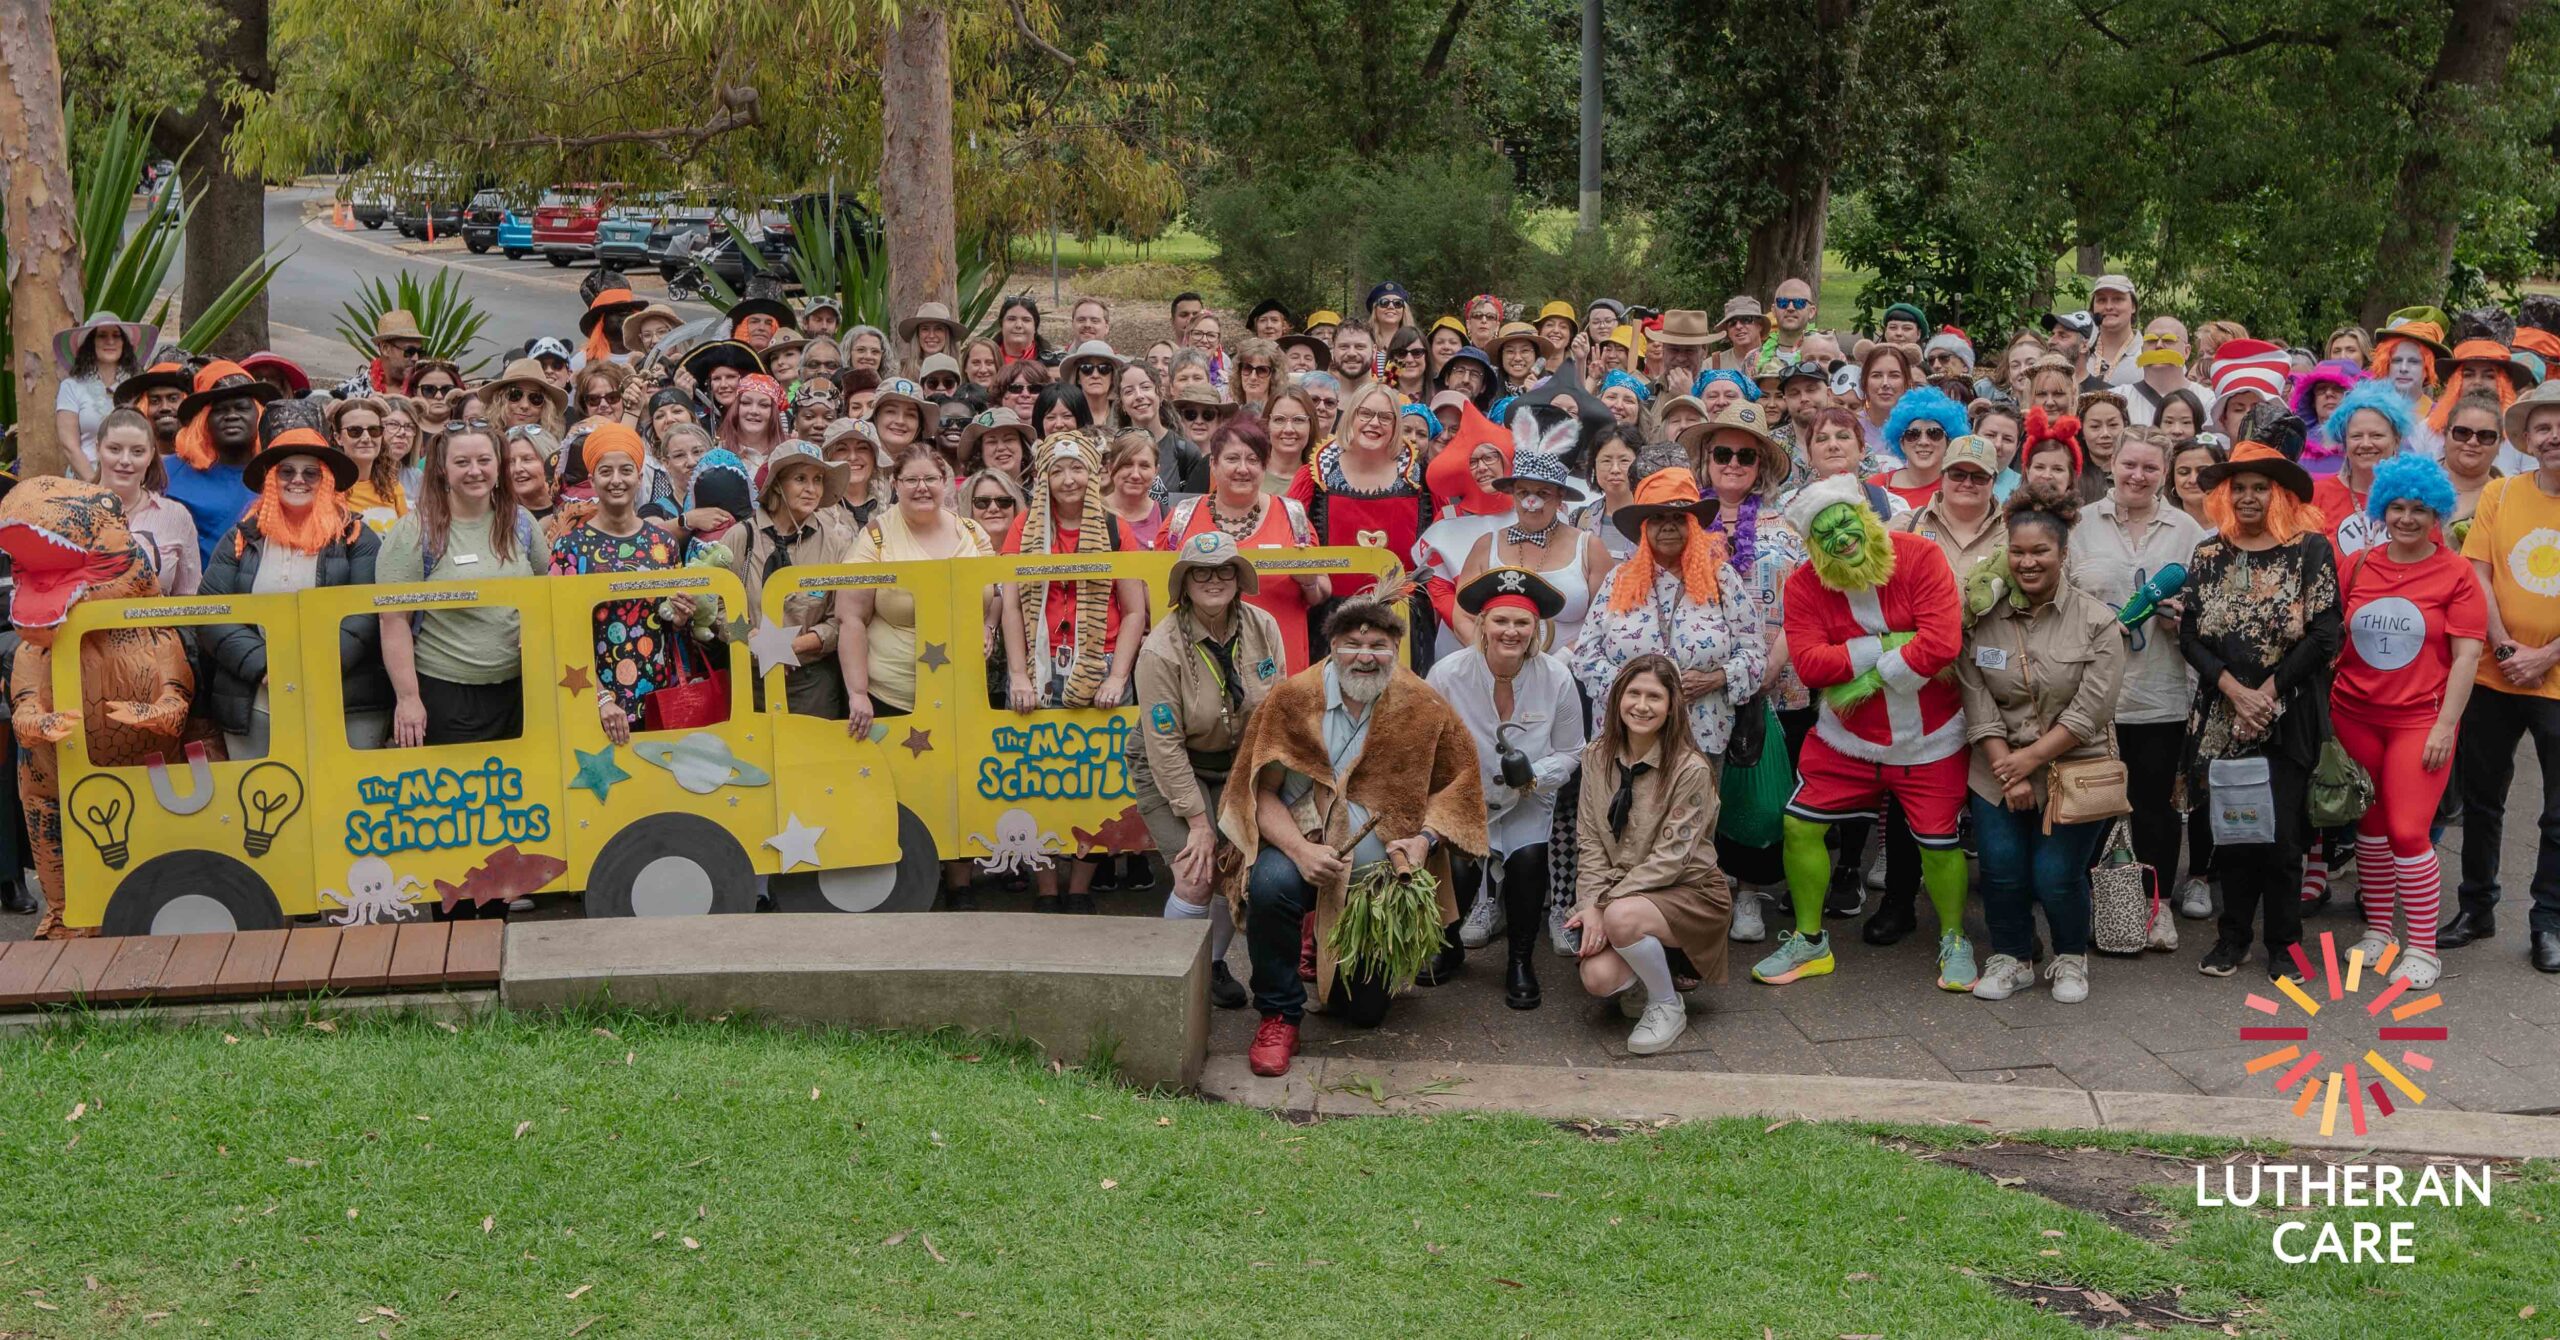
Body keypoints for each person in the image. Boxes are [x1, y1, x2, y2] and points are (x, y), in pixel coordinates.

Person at [1225, 586, 1489, 1077]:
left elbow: (1461, 784)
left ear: (1395, 649)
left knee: (1364, 1014)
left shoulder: (1422, 705)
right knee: (1271, 884)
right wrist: (1302, 852)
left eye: (1379, 647)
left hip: (1378, 880)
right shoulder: (1291, 699)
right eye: (1352, 644)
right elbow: (1258, 792)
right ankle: (1279, 1013)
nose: (1365, 656)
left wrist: (1424, 839)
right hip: (1299, 842)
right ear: (1333, 646)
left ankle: (1336, 960)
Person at [1758, 474, 1976, 991]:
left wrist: (1854, 663)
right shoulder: (1807, 584)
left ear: (1865, 518)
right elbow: (1810, 666)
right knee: (1799, 825)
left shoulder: (1920, 557)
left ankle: (1954, 937)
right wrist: (1889, 644)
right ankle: (1810, 942)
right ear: (1812, 544)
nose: (1840, 538)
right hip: (1845, 741)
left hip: (1932, 738)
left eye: (1845, 522)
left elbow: (1943, 643)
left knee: (1940, 844)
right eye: (1824, 532)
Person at [1959, 491, 2127, 1003]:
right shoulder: (1980, 619)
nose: (2028, 562)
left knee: (2055, 876)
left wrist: (2029, 761)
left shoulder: (2097, 621)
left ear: (2062, 555)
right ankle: (2012, 957)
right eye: (2018, 551)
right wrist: (2007, 771)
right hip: (1996, 766)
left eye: (2040, 552)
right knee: (2002, 871)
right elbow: (1977, 699)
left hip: (2073, 768)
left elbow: (2089, 711)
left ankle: (2071, 957)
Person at [2181, 443, 2341, 979]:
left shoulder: (2310, 550)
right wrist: (2234, 691)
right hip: (2224, 715)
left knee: (2281, 839)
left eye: (2260, 487)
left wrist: (2266, 693)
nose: (2249, 497)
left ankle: (2285, 945)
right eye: (2240, 487)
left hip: (2287, 713)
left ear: (2281, 495)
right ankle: (2232, 939)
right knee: (2232, 835)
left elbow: (2324, 634)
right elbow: (2189, 634)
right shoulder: (2207, 554)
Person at [2328, 454, 2483, 990]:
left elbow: (2466, 657)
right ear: (2382, 508)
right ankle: (2378, 931)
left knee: (2408, 829)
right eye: (2397, 507)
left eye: (2419, 508)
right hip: (2353, 714)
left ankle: (2422, 945)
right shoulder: (2359, 565)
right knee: (2368, 826)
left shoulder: (2457, 573)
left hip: (2420, 720)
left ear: (2436, 512)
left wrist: (2446, 726)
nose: (2407, 518)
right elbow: (2335, 636)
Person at [1136, 532, 1289, 1011]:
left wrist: (1258, 791)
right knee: (1196, 871)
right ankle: (1169, 981)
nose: (1214, 580)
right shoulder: (1160, 650)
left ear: (1239, 578)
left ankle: (1212, 964)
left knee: (1231, 868)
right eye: (1201, 571)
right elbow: (1164, 745)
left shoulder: (1263, 627)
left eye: (1225, 570)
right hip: (1172, 764)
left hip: (1237, 763)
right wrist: (1199, 823)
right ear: (1184, 584)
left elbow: (1276, 712)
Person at [1427, 567, 1586, 1010]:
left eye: (1522, 623)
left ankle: (1520, 960)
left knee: (1528, 864)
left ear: (1537, 628)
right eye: (1501, 621)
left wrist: (1535, 774)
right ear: (1482, 624)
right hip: (1465, 796)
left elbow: (1573, 751)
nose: (1510, 632)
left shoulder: (1555, 677)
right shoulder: (1447, 674)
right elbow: (1423, 741)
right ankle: (1448, 944)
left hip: (1527, 799)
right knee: (1457, 870)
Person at [2069, 431, 2209, 926]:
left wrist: (2182, 616)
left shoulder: (2189, 531)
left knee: (2154, 807)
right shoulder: (2080, 525)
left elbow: (2207, 609)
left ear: (2165, 472)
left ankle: (2156, 906)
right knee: (2092, 803)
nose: (2137, 476)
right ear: (2112, 464)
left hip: (2160, 690)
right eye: (2130, 464)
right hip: (2091, 693)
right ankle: (2096, 907)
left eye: (2150, 468)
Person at [200, 400, 390, 758]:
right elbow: (212, 612)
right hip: (257, 700)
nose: (298, 480)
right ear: (272, 480)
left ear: (326, 479)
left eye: (310, 472)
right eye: (286, 471)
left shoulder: (357, 537)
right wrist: (267, 666)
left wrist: (315, 665)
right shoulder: (242, 537)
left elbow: (364, 615)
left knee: (344, 800)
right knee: (264, 800)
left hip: (345, 700)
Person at [2450, 379, 2560, 972]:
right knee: (2483, 800)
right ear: (2527, 438)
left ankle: (2549, 922)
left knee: (2558, 812)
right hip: (2496, 674)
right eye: (2543, 426)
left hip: (2557, 681)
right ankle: (2476, 908)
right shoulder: (2501, 495)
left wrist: (2545, 656)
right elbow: (2479, 576)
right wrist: (2504, 644)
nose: (2554, 436)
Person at [1566, 655, 1730, 1052]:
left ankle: (1667, 1005)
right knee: (1598, 979)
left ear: (1672, 705)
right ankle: (1647, 972)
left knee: (1623, 917)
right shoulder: (1596, 756)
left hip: (1689, 891)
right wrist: (1588, 904)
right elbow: (1589, 842)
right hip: (1623, 893)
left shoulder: (1690, 768)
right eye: (1633, 693)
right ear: (1617, 698)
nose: (1642, 705)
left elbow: (1672, 859)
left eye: (1654, 696)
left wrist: (1605, 906)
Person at [1569, 467, 1765, 756]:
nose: (1669, 526)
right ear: (1644, 528)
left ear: (1693, 526)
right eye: (1658, 518)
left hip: (1699, 737)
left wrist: (1716, 678)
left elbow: (1755, 655)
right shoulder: (1619, 579)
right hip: (1625, 737)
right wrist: (1635, 689)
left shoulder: (1722, 579)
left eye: (1679, 518)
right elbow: (1584, 656)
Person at [548, 423, 719, 746]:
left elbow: (673, 620)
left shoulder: (662, 543)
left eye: (626, 470)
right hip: (592, 701)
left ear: (639, 477)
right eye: (605, 471)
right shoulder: (569, 547)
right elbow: (560, 632)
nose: (616, 480)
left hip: (660, 700)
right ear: (592, 479)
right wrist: (600, 699)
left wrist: (682, 616)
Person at [378, 422, 540, 749]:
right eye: (462, 462)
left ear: (499, 465)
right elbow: (393, 620)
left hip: (523, 690)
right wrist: (408, 698)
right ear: (441, 468)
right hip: (447, 694)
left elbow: (545, 593)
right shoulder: (415, 532)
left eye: (484, 460)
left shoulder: (522, 523)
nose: (475, 471)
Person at [842, 444, 996, 738]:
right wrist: (858, 693)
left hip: (965, 692)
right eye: (911, 480)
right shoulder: (875, 537)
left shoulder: (973, 532)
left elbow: (995, 595)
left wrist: (987, 626)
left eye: (930, 479)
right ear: (895, 484)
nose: (921, 488)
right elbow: (850, 619)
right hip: (892, 698)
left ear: (944, 481)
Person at [1287, 382, 1436, 668]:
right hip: (1331, 620)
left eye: (1385, 417)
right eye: (1365, 413)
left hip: (1403, 617)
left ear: (1396, 424)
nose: (1373, 423)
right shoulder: (1316, 475)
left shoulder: (1422, 477)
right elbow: (1292, 535)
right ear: (1351, 417)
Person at [1159, 415, 1325, 673]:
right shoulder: (1182, 517)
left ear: (1265, 465)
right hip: (1199, 669)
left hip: (1279, 667)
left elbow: (1321, 592)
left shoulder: (1293, 516)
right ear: (1213, 464)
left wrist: (1309, 582)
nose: (1243, 468)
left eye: (1253, 459)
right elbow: (1160, 589)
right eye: (1232, 458)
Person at [731, 440, 858, 719]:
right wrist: (757, 640)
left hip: (812, 683)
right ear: (777, 484)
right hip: (751, 681)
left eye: (818, 480)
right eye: (800, 479)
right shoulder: (742, 537)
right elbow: (715, 609)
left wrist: (795, 646)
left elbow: (845, 617)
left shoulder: (835, 543)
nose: (811, 489)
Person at [1455, 441, 1604, 660]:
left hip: (1570, 672)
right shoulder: (1486, 545)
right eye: (1523, 492)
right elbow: (1462, 615)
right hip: (1496, 670)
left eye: (1543, 493)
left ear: (1560, 496)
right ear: (1512, 494)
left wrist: (1563, 660)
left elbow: (1604, 618)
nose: (1531, 502)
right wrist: (1488, 656)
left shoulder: (1589, 547)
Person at [165, 361, 279, 567]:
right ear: (203, 421)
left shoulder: (284, 472)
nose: (232, 416)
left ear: (259, 415)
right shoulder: (169, 472)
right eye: (220, 410)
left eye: (242, 408)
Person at [92, 408, 198, 595]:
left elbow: (189, 596)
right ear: (97, 448)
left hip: (159, 623)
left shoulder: (175, 516)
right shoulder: (71, 509)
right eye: (114, 449)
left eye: (137, 452)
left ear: (151, 455)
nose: (125, 460)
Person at [2312, 380, 2416, 557]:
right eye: (2356, 436)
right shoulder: (2317, 495)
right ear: (2344, 442)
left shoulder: (2417, 497)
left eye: (2377, 435)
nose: (2366, 444)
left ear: (2396, 440)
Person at [51, 311, 154, 477]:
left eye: (116, 335)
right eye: (102, 335)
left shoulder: (138, 384)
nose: (110, 341)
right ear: (91, 343)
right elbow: (69, 446)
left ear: (124, 343)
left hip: (133, 478)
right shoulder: (71, 387)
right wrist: (96, 486)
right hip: (84, 480)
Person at [1869, 385, 1967, 511]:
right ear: (1901, 443)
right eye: (1913, 434)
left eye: (1934, 433)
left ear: (1948, 442)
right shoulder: (1877, 486)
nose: (1923, 441)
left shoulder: (1960, 487)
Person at [330, 397, 409, 534]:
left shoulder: (393, 487)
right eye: (354, 431)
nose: (366, 438)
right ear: (338, 438)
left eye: (374, 430)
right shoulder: (328, 489)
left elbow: (408, 538)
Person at [1570, 424, 1642, 562]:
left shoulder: (1654, 519)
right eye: (1606, 461)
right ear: (1594, 466)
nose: (1615, 469)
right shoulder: (1578, 519)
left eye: (1624, 461)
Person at [2441, 393, 2504, 522]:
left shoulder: (2507, 497)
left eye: (2485, 436)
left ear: (2500, 443)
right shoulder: (2411, 484)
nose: (2472, 442)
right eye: (2462, 432)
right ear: (2445, 434)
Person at [1856, 343, 1915, 457]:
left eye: (1894, 375)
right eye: (1876, 375)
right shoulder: (1850, 427)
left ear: (1907, 382)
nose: (1885, 383)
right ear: (1864, 381)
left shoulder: (1919, 429)